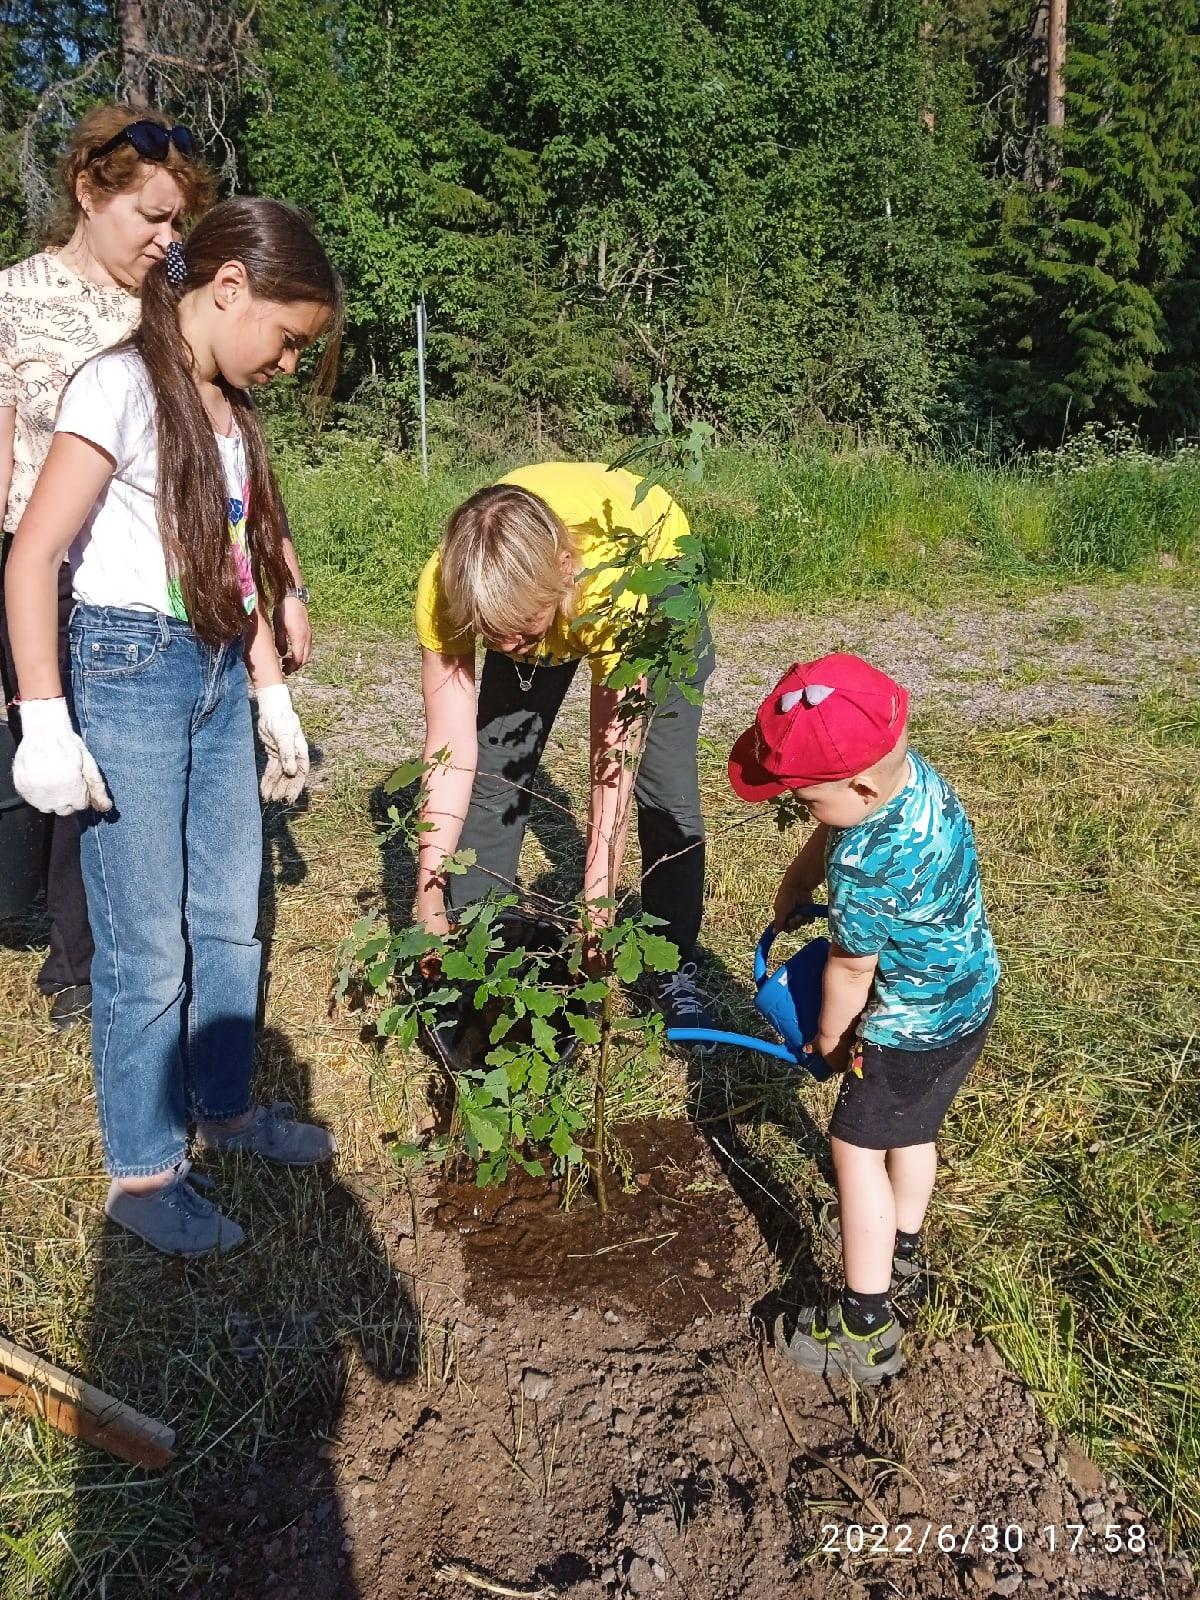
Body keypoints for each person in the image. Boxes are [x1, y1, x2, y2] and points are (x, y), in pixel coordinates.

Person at [5, 196, 342, 1255]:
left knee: (229, 912)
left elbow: (231, 563)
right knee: (146, 941)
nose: (288, 362)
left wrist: (269, 687)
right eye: (287, 339)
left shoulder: (230, 415)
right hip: (124, 670)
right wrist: (46, 722)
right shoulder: (115, 385)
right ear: (229, 288)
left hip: (208, 668)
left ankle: (226, 1108)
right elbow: (31, 558)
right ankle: (145, 1176)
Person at [0, 104, 314, 1028]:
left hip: (165, 578)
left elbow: (235, 464)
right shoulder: (14, 303)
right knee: (59, 773)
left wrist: (282, 581)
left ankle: (131, 959)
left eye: (179, 221)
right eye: (152, 216)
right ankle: (89, 970)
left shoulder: (174, 299)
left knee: (129, 783)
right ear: (87, 192)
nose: (166, 238)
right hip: (45, 560)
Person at [728, 653, 999, 1382]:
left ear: (858, 785)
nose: (804, 813)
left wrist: (826, 1037)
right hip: (968, 1000)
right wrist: (794, 881)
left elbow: (850, 970)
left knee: (853, 1148)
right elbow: (834, 829)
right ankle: (903, 1251)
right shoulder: (911, 784)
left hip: (908, 1028)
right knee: (912, 1131)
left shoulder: (867, 867)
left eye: (808, 800)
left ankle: (866, 1325)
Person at [414, 462, 715, 1030]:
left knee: (661, 781)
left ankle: (672, 963)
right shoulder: (452, 584)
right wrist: (429, 897)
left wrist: (596, 905)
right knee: (496, 768)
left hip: (655, 566)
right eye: (490, 635)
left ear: (563, 570)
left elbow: (613, 757)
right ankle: (479, 950)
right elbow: (448, 748)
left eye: (522, 633)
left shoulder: (610, 588)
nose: (507, 647)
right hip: (530, 590)